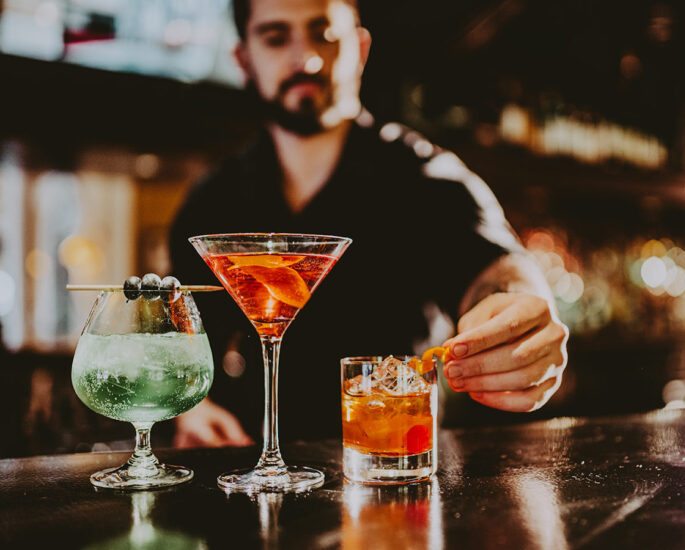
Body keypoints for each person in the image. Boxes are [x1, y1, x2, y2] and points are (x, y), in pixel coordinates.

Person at [168, 0, 569, 447]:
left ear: (359, 50)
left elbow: (499, 274)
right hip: (246, 486)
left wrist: (520, 311)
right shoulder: (211, 203)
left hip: (391, 476)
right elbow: (178, 346)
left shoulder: (425, 179)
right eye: (277, 38)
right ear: (244, 60)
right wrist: (190, 408)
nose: (307, 59)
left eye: (325, 34)